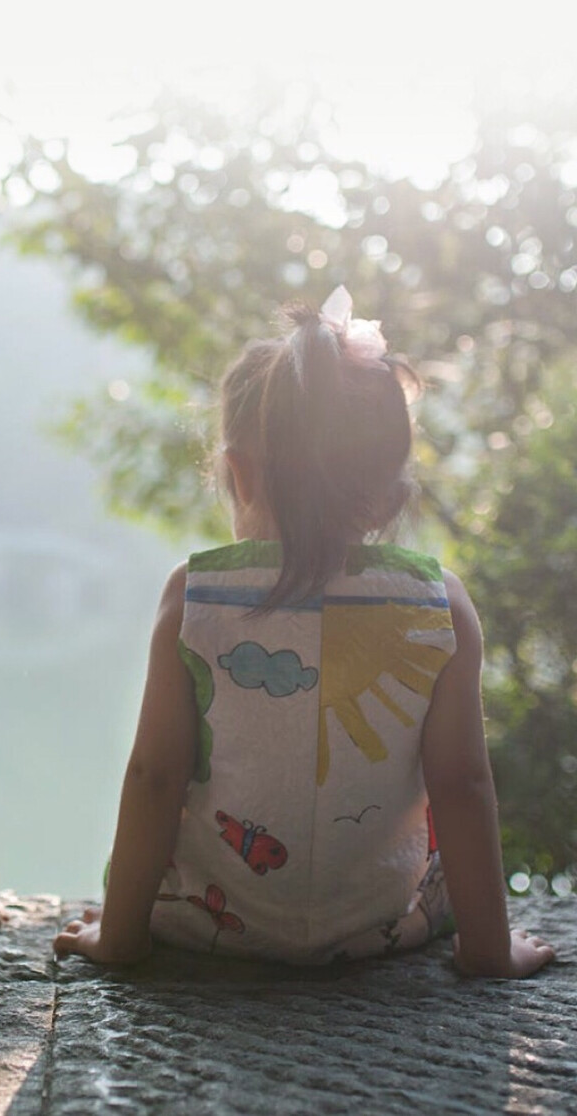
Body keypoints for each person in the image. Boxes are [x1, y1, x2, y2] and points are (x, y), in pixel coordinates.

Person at [54, 288, 555, 979]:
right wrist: (491, 951)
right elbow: (462, 782)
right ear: (388, 492)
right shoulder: (439, 605)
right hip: (380, 928)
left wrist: (119, 939)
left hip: (213, 926)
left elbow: (154, 776)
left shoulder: (194, 596)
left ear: (239, 471)